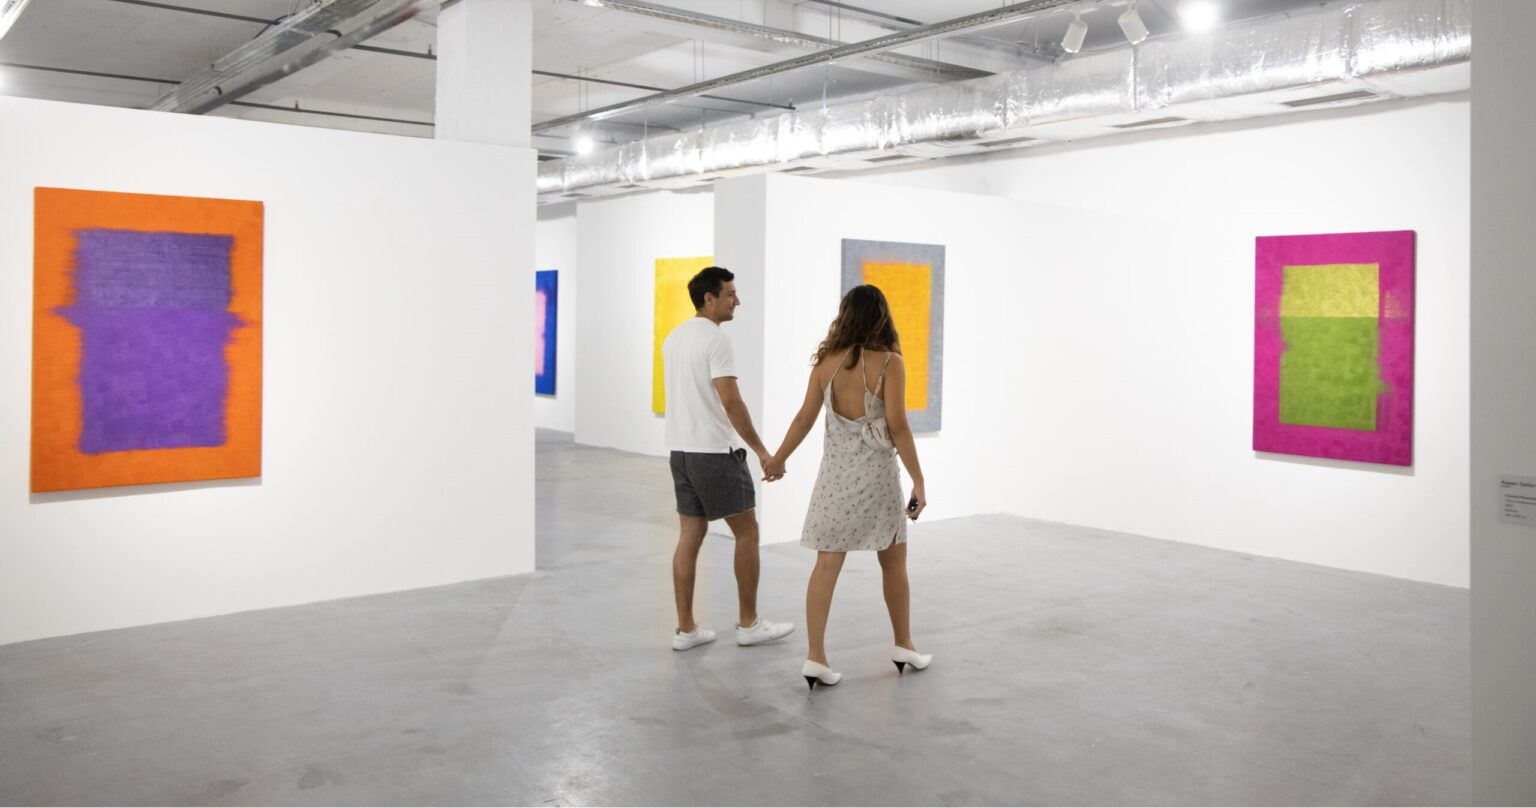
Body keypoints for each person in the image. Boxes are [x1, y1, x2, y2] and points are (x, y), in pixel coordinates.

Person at [767, 284, 932, 689]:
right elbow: (898, 426)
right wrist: (918, 479)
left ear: (845, 316)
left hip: (834, 482)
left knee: (826, 565)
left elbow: (803, 419)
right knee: (893, 563)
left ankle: (815, 657)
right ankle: (904, 644)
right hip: (877, 482)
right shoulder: (890, 363)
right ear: (882, 316)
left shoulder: (826, 364)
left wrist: (778, 458)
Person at [662, 266, 795, 652]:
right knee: (747, 532)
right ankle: (749, 624)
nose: (738, 301)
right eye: (731, 294)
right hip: (713, 453)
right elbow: (731, 402)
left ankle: (686, 630)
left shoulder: (674, 338)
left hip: (681, 451)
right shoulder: (715, 340)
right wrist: (763, 452)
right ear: (709, 299)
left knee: (690, 535)